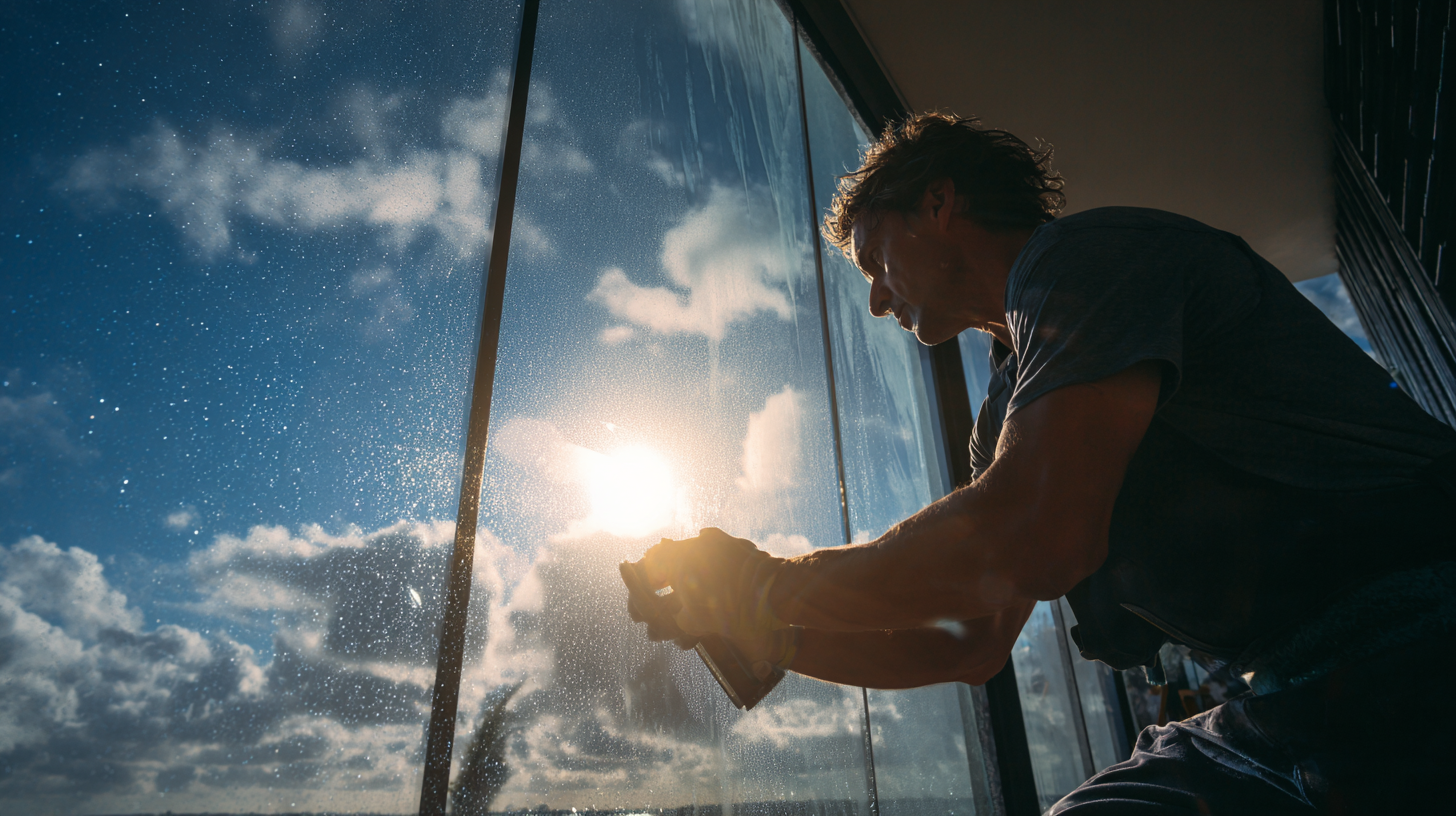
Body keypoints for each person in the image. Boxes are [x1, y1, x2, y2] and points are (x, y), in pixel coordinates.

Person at [625, 113, 1456, 813]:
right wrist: (764, 625)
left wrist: (763, 583)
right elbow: (968, 644)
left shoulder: (1087, 261)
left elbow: (1039, 534)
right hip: (1279, 705)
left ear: (940, 202)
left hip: (1416, 647)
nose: (876, 299)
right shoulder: (1006, 411)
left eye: (877, 262)